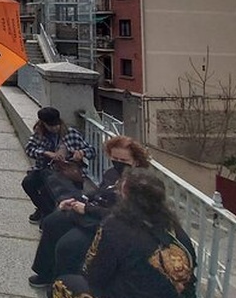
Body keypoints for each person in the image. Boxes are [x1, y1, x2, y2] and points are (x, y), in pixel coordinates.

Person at [51, 168, 197, 298]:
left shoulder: (115, 226)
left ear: (125, 195)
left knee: (63, 283)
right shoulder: (177, 231)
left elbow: (95, 276)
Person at [28, 135, 150, 288]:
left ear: (136, 161)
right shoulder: (111, 173)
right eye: (115, 158)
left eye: (124, 161)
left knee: (68, 245)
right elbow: (99, 193)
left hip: (110, 224)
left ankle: (64, 286)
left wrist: (87, 208)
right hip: (91, 212)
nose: (118, 163)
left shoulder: (140, 184)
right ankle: (45, 272)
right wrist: (79, 201)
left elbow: (124, 213)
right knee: (52, 222)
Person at [22, 107, 95, 224]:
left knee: (48, 189)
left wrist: (81, 153)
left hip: (67, 172)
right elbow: (29, 149)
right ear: (44, 124)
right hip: (44, 170)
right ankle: (44, 210)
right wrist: (45, 153)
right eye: (51, 126)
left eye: (57, 125)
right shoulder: (39, 134)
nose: (55, 128)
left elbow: (91, 151)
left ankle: (48, 215)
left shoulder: (71, 133)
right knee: (28, 183)